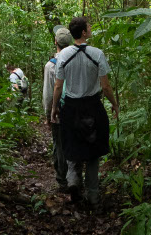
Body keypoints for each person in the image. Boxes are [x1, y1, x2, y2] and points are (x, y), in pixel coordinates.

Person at [51, 16, 119, 207]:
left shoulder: (63, 56)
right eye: (89, 26)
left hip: (71, 108)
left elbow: (58, 86)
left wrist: (55, 108)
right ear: (83, 32)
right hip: (92, 107)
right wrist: (114, 103)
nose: (91, 28)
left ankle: (73, 181)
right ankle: (93, 196)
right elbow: (105, 86)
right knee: (93, 152)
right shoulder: (97, 54)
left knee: (72, 146)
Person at [44, 26, 72, 191]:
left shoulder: (51, 65)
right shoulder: (75, 60)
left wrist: (48, 113)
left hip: (59, 111)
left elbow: (48, 93)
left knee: (59, 145)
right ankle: (75, 178)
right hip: (75, 109)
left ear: (55, 41)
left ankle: (62, 180)